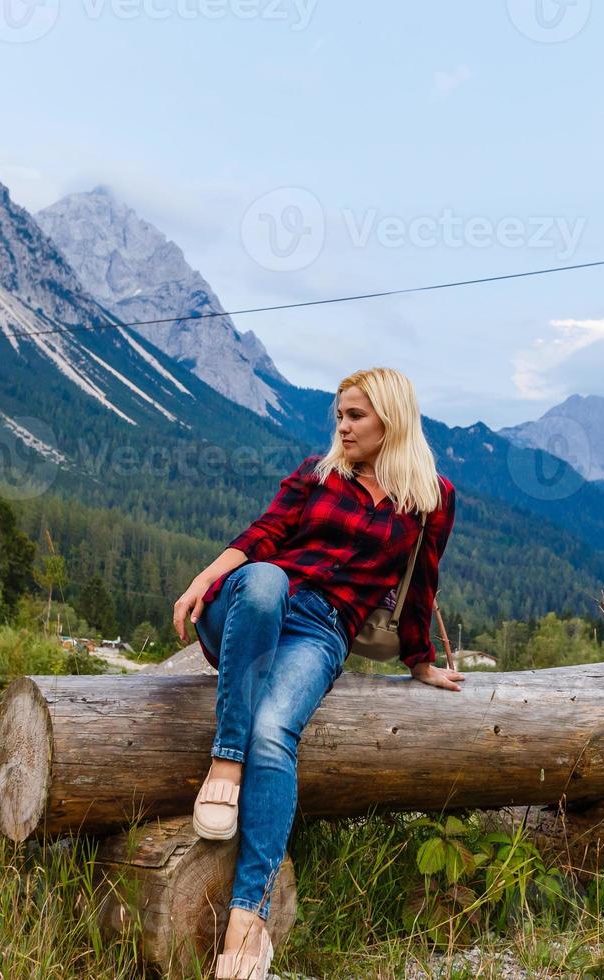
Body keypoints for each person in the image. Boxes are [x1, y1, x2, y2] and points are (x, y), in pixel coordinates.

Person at [171, 366, 464, 979]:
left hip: (322, 630)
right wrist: (204, 579)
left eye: (355, 415)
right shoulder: (317, 473)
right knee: (269, 577)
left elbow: (422, 585)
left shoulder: (430, 497)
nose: (343, 426)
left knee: (275, 734)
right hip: (254, 604)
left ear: (391, 416)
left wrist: (421, 663)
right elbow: (264, 535)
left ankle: (247, 923)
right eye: (339, 415)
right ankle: (224, 759)